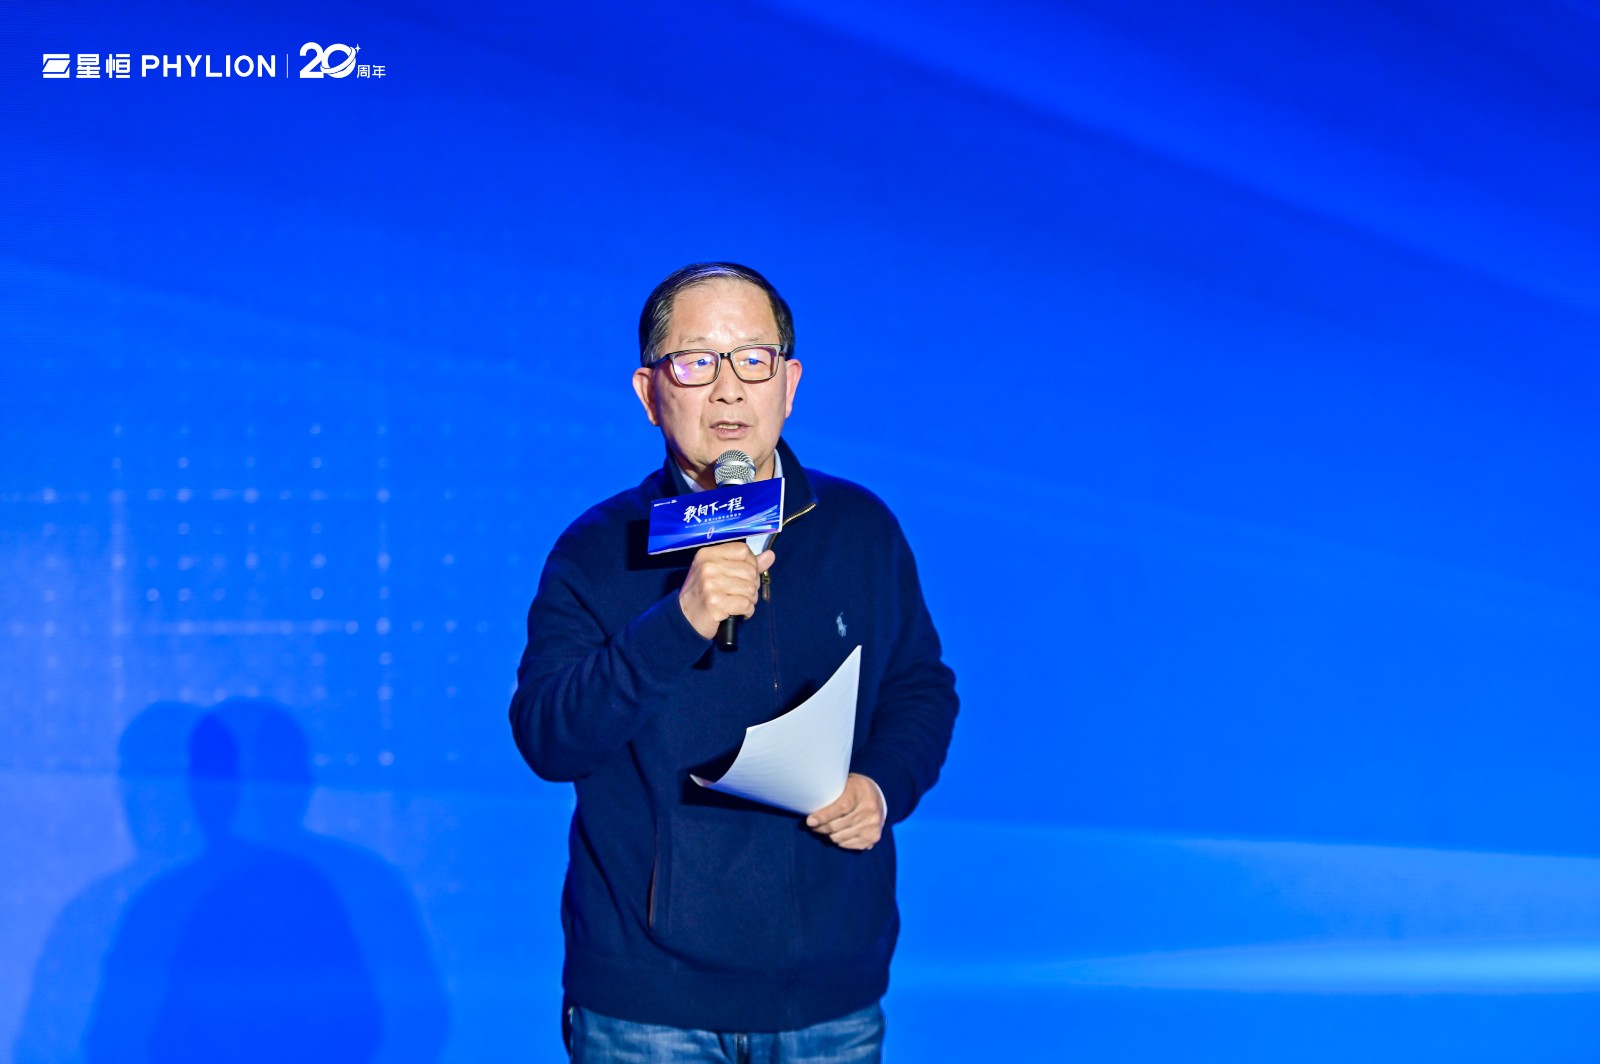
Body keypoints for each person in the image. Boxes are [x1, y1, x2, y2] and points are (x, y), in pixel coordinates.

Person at [510, 262, 958, 1061]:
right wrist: (679, 621)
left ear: (789, 384)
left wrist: (882, 787)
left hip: (829, 993)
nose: (728, 390)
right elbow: (549, 739)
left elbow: (921, 688)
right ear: (650, 393)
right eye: (695, 363)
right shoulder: (597, 549)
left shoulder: (859, 529)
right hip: (649, 1002)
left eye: (753, 360)